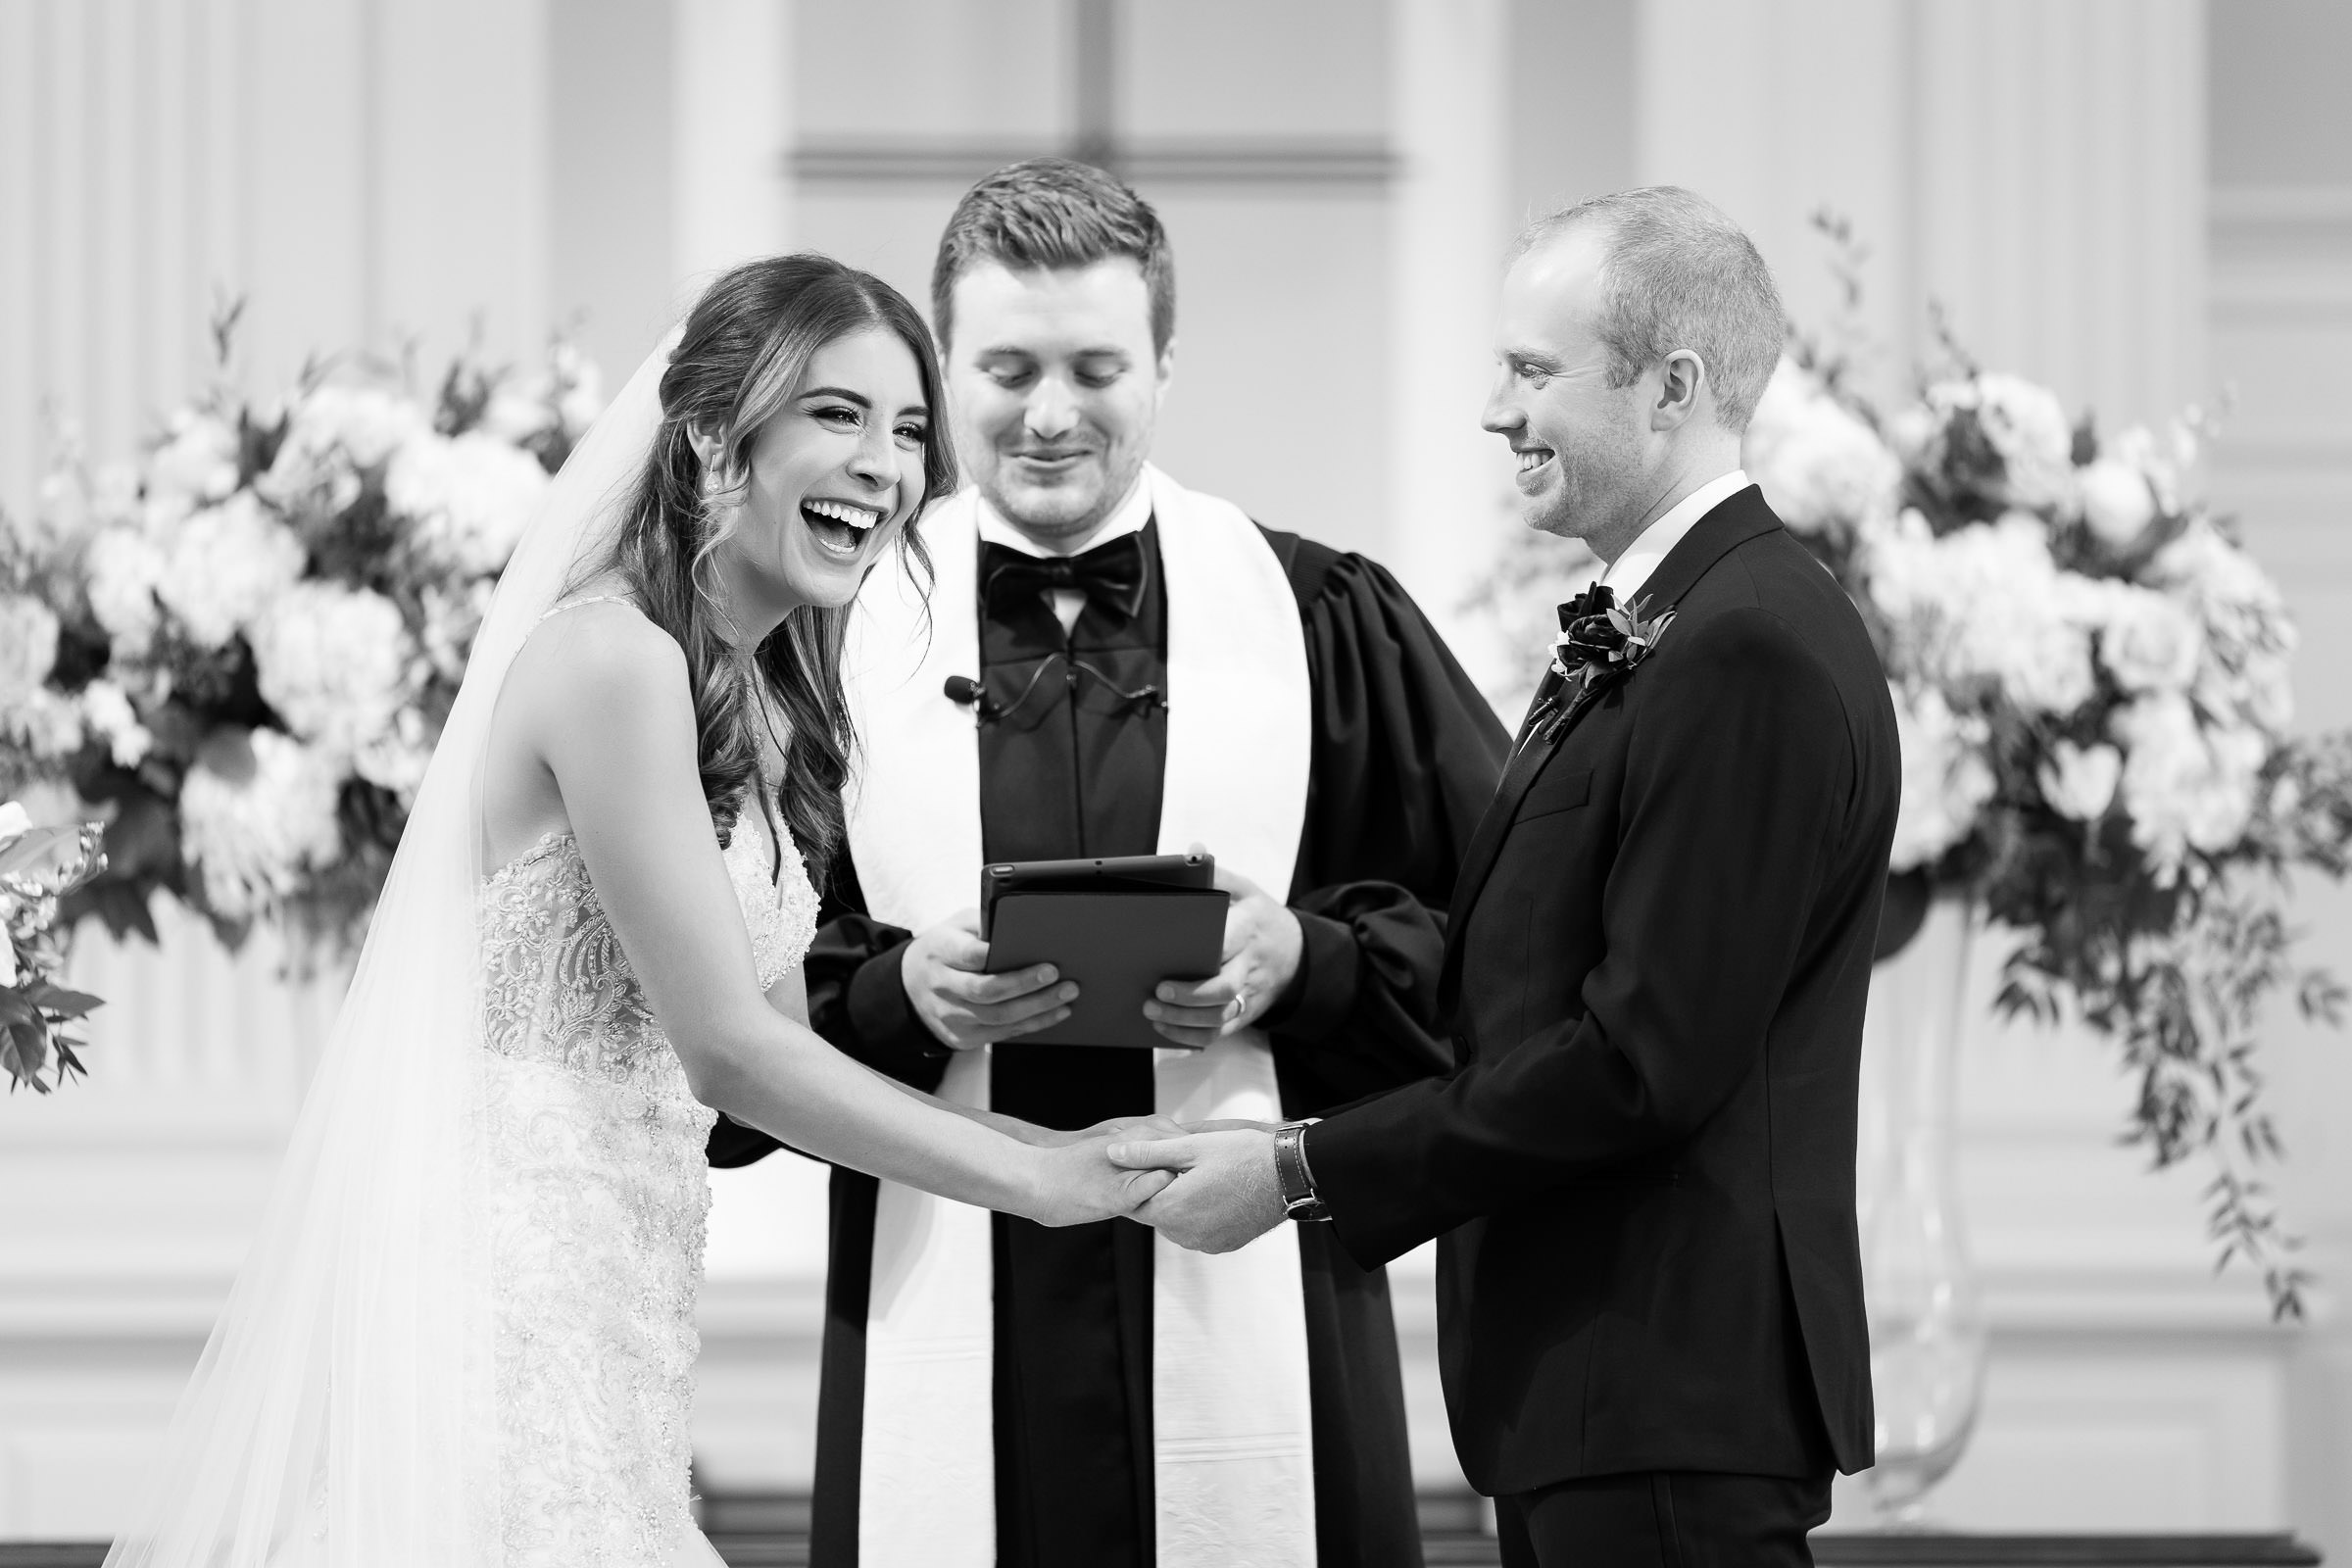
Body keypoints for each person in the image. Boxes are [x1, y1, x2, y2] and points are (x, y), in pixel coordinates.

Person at [101, 255, 1178, 1568]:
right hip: (496, 1302)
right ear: (719, 436)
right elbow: (730, 1048)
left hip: (624, 1314)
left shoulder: (766, 710)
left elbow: (770, 1049)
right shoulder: (610, 660)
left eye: (906, 431)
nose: (886, 468)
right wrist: (1033, 1175)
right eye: (836, 414)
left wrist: (939, 999)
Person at [709, 159, 1509, 1568]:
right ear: (945, 368)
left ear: (1165, 366)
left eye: (1096, 365)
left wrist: (1305, 962)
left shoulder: (1322, 619)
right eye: (1007, 366)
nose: (1051, 412)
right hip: (935, 1282)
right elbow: (712, 998)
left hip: (1259, 1278)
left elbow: (1518, 948)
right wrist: (907, 993)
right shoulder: (823, 638)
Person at [1110, 187, 1901, 1568]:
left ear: (1673, 389)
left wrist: (1300, 1169)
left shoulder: (1747, 647)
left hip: (1664, 1394)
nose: (1496, 410)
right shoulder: (1678, 621)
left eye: (1534, 372)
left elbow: (1642, 1062)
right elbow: (1528, 984)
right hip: (1599, 1395)